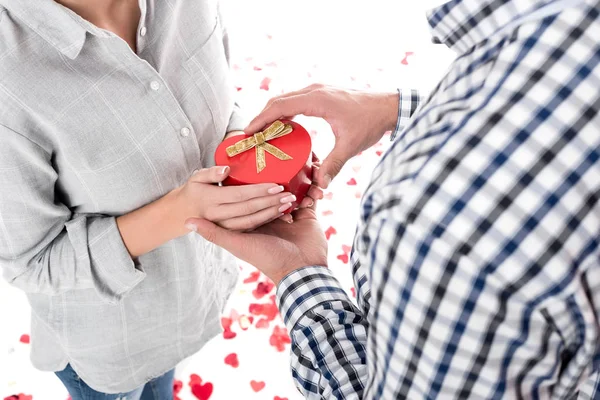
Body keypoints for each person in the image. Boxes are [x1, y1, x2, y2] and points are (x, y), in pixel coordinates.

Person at [187, 0, 600, 398]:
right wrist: (398, 109)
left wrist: (298, 271)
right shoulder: (566, 31)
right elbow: (543, 117)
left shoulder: (436, 220)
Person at [0, 0, 319, 398]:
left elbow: (218, 109)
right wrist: (182, 211)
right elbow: (32, 262)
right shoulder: (8, 77)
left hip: (191, 302)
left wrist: (256, 164)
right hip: (110, 351)